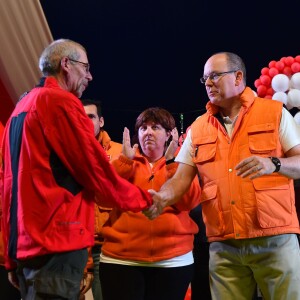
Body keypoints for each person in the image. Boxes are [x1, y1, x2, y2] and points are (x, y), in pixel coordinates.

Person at [0, 39, 153, 300]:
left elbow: (7, 187)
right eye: (86, 67)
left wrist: (10, 257)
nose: (90, 76)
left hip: (26, 247)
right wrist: (145, 200)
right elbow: (95, 171)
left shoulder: (19, 109)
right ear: (66, 64)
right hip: (56, 243)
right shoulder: (59, 102)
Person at [145, 52, 300, 300]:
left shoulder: (275, 113)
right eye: (204, 78)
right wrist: (162, 197)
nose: (208, 83)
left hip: (275, 240)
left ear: (238, 77)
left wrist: (274, 163)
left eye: (215, 76)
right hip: (223, 245)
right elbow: (181, 178)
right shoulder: (198, 127)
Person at [99, 107, 201, 300]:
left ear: (169, 134)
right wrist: (124, 163)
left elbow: (189, 202)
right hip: (121, 260)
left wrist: (172, 163)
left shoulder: (181, 164)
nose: (148, 132)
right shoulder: (125, 161)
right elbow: (102, 197)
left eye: (155, 127)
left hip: (172, 260)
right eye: (143, 128)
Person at [81, 98, 122, 300]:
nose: (85, 121)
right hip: (72, 247)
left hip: (105, 247)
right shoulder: (65, 151)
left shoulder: (120, 153)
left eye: (91, 116)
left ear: (102, 121)